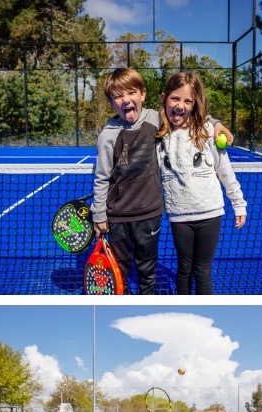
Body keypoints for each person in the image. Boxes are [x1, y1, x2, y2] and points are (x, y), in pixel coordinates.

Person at [92, 68, 232, 294]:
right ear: (111, 102)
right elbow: (101, 177)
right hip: (117, 216)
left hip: (149, 214)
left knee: (148, 271)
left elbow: (187, 111)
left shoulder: (156, 119)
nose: (126, 100)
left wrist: (215, 123)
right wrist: (99, 214)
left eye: (131, 93)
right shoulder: (108, 135)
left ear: (143, 94)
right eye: (118, 96)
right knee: (121, 271)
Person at [157, 72, 246, 295]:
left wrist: (239, 203)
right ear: (164, 98)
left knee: (202, 270)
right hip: (179, 215)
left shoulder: (207, 132)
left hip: (210, 213)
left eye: (188, 101)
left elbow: (225, 171)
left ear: (195, 105)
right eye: (175, 99)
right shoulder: (157, 135)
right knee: (184, 268)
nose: (180, 106)